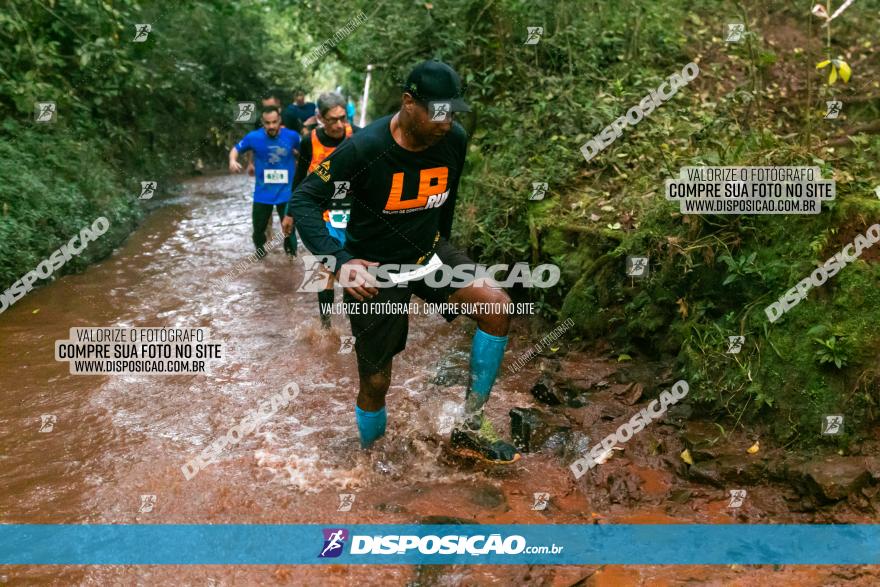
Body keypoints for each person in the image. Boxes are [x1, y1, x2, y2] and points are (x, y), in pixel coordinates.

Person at [287, 60, 519, 464]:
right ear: (409, 103)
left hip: (428, 252)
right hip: (374, 270)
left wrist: (442, 247)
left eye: (452, 112)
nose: (446, 123)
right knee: (376, 381)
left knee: (496, 307)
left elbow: (448, 199)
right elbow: (305, 200)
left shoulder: (454, 139)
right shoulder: (365, 148)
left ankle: (470, 427)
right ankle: (372, 461)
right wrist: (340, 261)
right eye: (437, 112)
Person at [283, 92, 358, 329]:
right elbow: (300, 178)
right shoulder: (310, 141)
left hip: (355, 213)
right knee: (326, 267)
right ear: (319, 118)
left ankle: (353, 323)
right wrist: (290, 212)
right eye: (332, 119)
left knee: (352, 268)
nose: (338, 125)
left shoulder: (358, 135)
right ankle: (326, 326)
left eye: (342, 118)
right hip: (323, 214)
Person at [229, 105, 301, 257]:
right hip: (263, 194)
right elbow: (236, 149)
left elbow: (307, 151)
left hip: (286, 193)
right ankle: (262, 259)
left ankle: (291, 260)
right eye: (268, 123)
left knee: (289, 230)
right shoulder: (253, 137)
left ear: (279, 120)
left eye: (274, 122)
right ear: (263, 122)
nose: (271, 126)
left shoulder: (292, 136)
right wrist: (232, 160)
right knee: (258, 231)